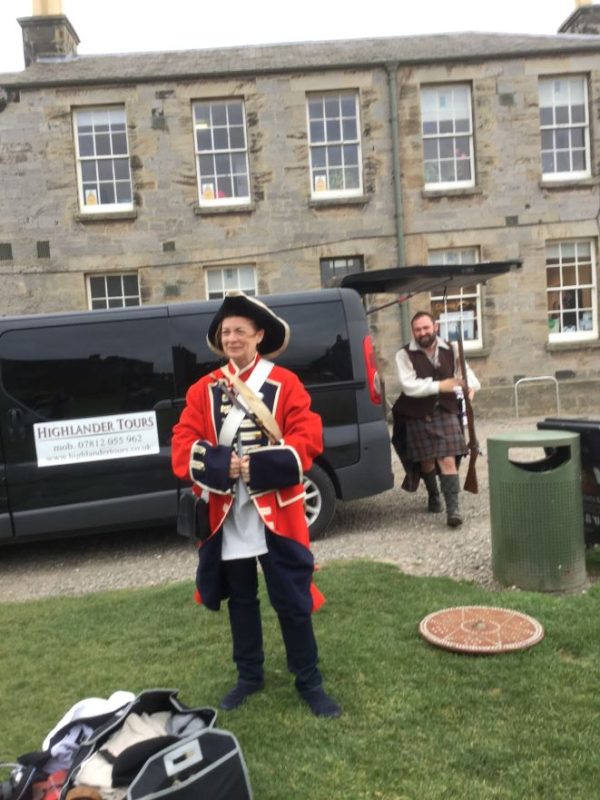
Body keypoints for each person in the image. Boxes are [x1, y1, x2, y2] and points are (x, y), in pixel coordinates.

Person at [171, 291, 341, 719]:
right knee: (240, 599)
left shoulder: (285, 384)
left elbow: (308, 435)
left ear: (258, 336)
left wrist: (260, 466)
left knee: (291, 599)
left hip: (276, 512)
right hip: (226, 514)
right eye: (225, 332)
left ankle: (310, 681)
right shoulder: (203, 389)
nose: (231, 338)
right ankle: (249, 676)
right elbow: (181, 443)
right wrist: (216, 463)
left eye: (239, 331)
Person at [393, 310, 480, 527]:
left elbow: (467, 374)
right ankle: (433, 494)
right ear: (413, 332)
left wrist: (471, 387)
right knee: (427, 460)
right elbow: (409, 386)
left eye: (426, 328)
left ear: (435, 327)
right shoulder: (404, 355)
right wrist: (441, 385)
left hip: (446, 411)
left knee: (448, 459)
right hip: (416, 413)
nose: (422, 333)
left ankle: (454, 511)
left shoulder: (451, 349)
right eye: (417, 330)